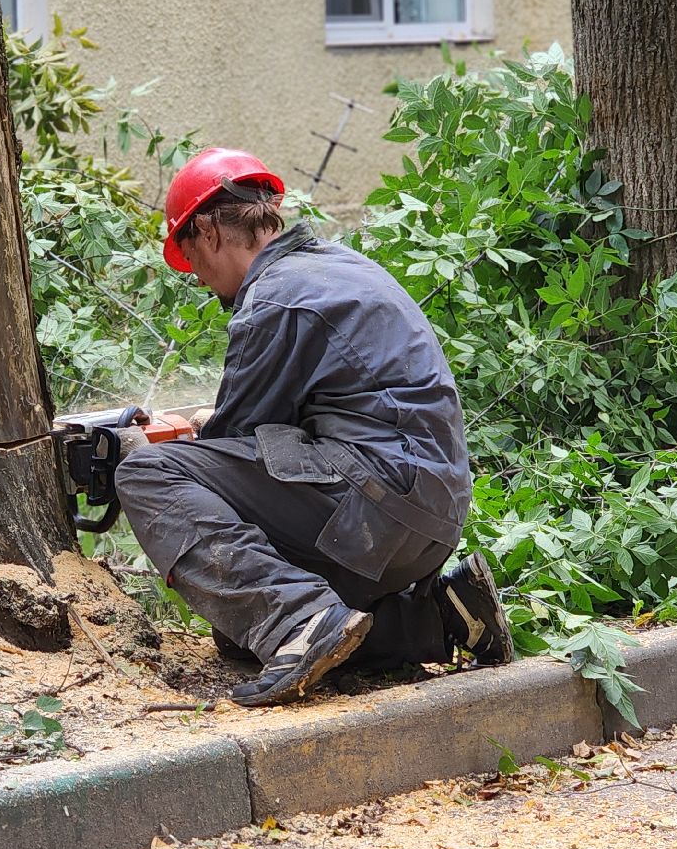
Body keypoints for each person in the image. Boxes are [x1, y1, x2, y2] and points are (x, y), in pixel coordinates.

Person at [114, 147, 513, 708]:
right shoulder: (341, 266)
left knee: (148, 473)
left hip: (376, 509)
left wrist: (155, 443)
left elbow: (238, 442)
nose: (200, 278)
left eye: (191, 258)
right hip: (434, 515)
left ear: (207, 230)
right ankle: (443, 618)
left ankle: (302, 621)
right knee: (239, 633)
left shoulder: (272, 299)